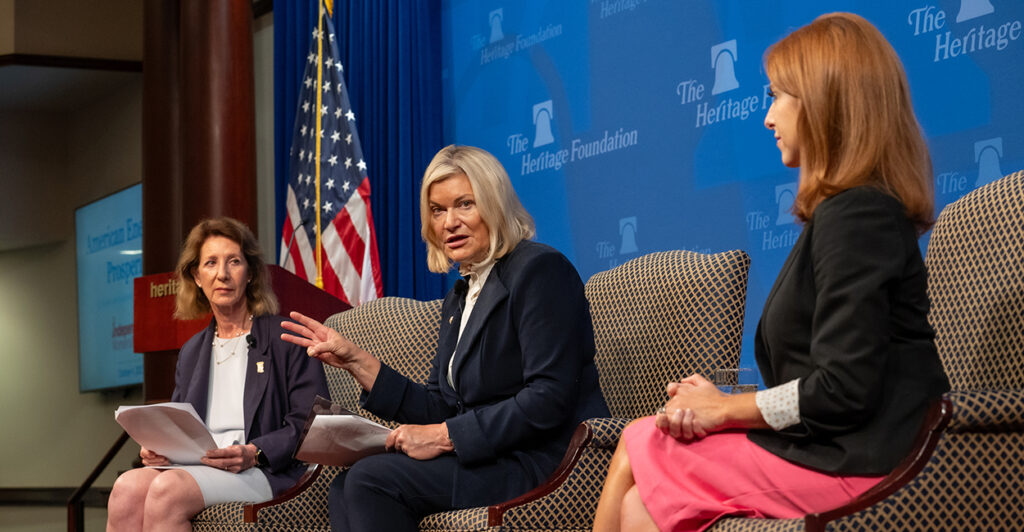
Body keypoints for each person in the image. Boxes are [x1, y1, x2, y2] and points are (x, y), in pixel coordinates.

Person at [592, 12, 950, 532]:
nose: (768, 117)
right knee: (637, 505)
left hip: (867, 465)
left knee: (642, 439)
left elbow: (843, 389)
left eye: (778, 96)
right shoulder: (845, 213)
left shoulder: (860, 214)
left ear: (825, 104)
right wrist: (720, 405)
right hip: (834, 449)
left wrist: (724, 409)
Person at [281, 144, 609, 531]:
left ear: (494, 204)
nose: (449, 222)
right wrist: (357, 361)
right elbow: (443, 407)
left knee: (373, 480)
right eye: (438, 210)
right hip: (489, 456)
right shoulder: (460, 297)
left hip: (544, 461)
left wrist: (445, 437)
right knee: (346, 483)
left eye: (464, 204)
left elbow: (548, 398)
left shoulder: (540, 270)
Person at [106, 217, 328, 532]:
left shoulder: (285, 338)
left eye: (233, 262)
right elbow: (178, 422)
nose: (222, 274)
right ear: (196, 276)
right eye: (210, 263)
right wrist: (161, 449)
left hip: (262, 471)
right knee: (125, 489)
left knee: (165, 492)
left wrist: (255, 452)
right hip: (198, 466)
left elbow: (312, 424)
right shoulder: (192, 350)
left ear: (250, 272)